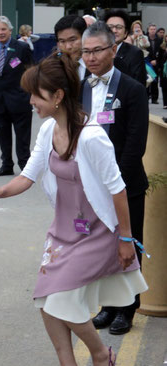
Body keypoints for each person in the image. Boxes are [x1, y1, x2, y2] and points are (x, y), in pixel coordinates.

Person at [0, 51, 147, 366]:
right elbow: (28, 175)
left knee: (60, 300)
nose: (30, 102)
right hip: (63, 231)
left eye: (36, 95)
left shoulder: (91, 136)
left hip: (98, 232)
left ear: (58, 96)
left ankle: (100, 355)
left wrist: (126, 240)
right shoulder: (48, 130)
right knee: (46, 300)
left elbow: (118, 189)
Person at [80, 21, 149, 335]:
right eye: (86, 52)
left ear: (112, 49)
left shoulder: (132, 89)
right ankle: (108, 306)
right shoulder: (81, 86)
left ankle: (128, 308)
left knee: (128, 246)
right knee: (103, 248)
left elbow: (136, 142)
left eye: (97, 50)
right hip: (91, 186)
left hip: (125, 184)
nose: (91, 58)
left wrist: (113, 182)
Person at [0, 15, 33, 176]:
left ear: (10, 30)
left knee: (22, 137)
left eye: (3, 29)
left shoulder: (22, 48)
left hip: (19, 99)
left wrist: (29, 94)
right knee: (3, 134)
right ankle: (6, 164)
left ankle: (26, 166)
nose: (0, 32)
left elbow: (31, 72)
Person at [104, 9, 146, 86]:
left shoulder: (135, 53)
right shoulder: (97, 51)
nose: (114, 30)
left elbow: (139, 85)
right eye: (110, 27)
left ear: (126, 32)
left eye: (119, 27)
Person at [54, 15, 89, 80]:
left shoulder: (98, 64)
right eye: (62, 41)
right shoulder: (53, 68)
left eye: (72, 40)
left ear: (85, 37)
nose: (68, 47)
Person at [146, 23, 162, 103]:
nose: (153, 31)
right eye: (151, 29)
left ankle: (154, 98)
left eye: (154, 29)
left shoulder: (159, 40)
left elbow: (161, 52)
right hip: (147, 63)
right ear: (148, 30)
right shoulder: (145, 39)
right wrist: (149, 61)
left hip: (156, 63)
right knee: (147, 80)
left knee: (155, 81)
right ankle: (146, 96)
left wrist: (156, 61)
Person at [158, 34, 167, 108]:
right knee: (164, 87)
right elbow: (159, 58)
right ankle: (165, 103)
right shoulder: (162, 46)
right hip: (163, 70)